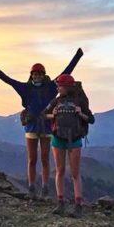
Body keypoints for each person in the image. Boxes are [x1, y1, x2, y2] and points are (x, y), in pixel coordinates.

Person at [0, 48, 84, 199]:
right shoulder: (25, 88)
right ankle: (31, 188)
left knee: (44, 158)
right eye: (35, 74)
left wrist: (78, 56)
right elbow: (7, 79)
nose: (37, 76)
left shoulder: (51, 87)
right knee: (32, 159)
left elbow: (67, 70)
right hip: (31, 126)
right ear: (31, 75)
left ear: (43, 75)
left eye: (39, 74)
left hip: (45, 127)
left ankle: (44, 188)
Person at [44, 74, 95, 218]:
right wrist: (51, 115)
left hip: (71, 139)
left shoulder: (78, 101)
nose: (58, 88)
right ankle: (62, 202)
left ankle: (76, 204)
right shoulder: (56, 101)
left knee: (73, 173)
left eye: (59, 85)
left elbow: (91, 119)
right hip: (62, 139)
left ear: (65, 86)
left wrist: (81, 114)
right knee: (62, 171)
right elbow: (43, 115)